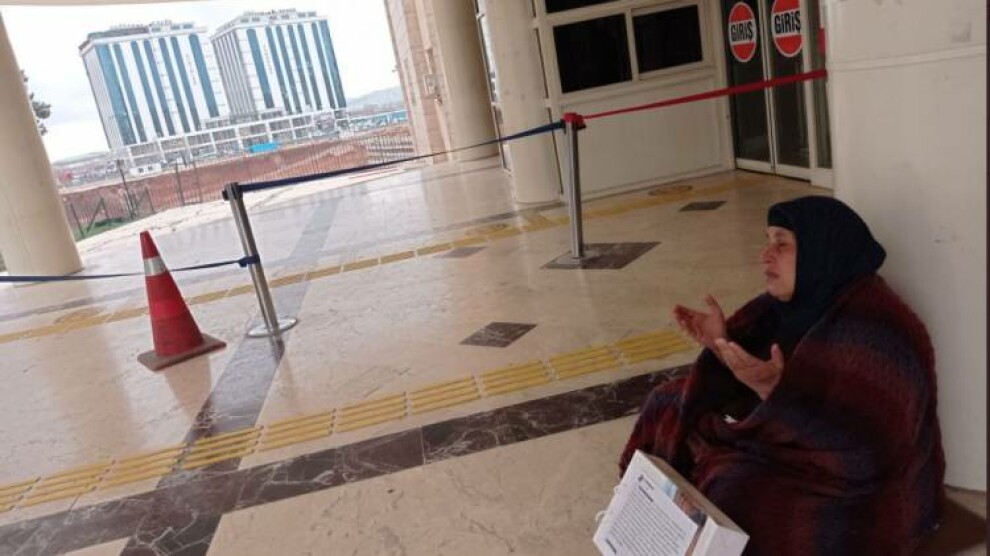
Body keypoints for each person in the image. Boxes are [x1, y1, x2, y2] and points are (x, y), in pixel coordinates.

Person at [620, 196, 945, 555]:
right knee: (666, 404)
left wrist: (775, 393)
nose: (765, 255)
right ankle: (648, 532)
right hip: (787, 440)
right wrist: (722, 346)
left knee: (734, 492)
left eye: (782, 244)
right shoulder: (787, 305)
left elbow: (865, 454)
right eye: (767, 241)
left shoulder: (881, 332)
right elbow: (750, 374)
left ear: (820, 250)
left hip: (860, 489)